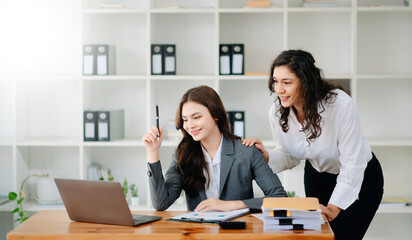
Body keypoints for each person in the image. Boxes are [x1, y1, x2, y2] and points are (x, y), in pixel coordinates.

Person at [242, 50, 384, 240]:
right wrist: (266, 156)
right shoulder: (277, 111)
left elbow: (353, 163)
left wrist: (334, 207)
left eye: (287, 82)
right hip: (317, 178)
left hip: (360, 178)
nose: (279, 89)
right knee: (316, 237)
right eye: (275, 81)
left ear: (306, 82)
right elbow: (290, 155)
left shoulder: (340, 104)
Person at [143, 85, 287, 212]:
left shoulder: (247, 152)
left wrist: (232, 205)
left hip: (238, 232)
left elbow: (279, 199)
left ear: (216, 115)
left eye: (197, 117)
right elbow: (161, 203)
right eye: (185, 119)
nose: (190, 125)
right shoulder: (183, 154)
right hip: (198, 233)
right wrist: (153, 151)